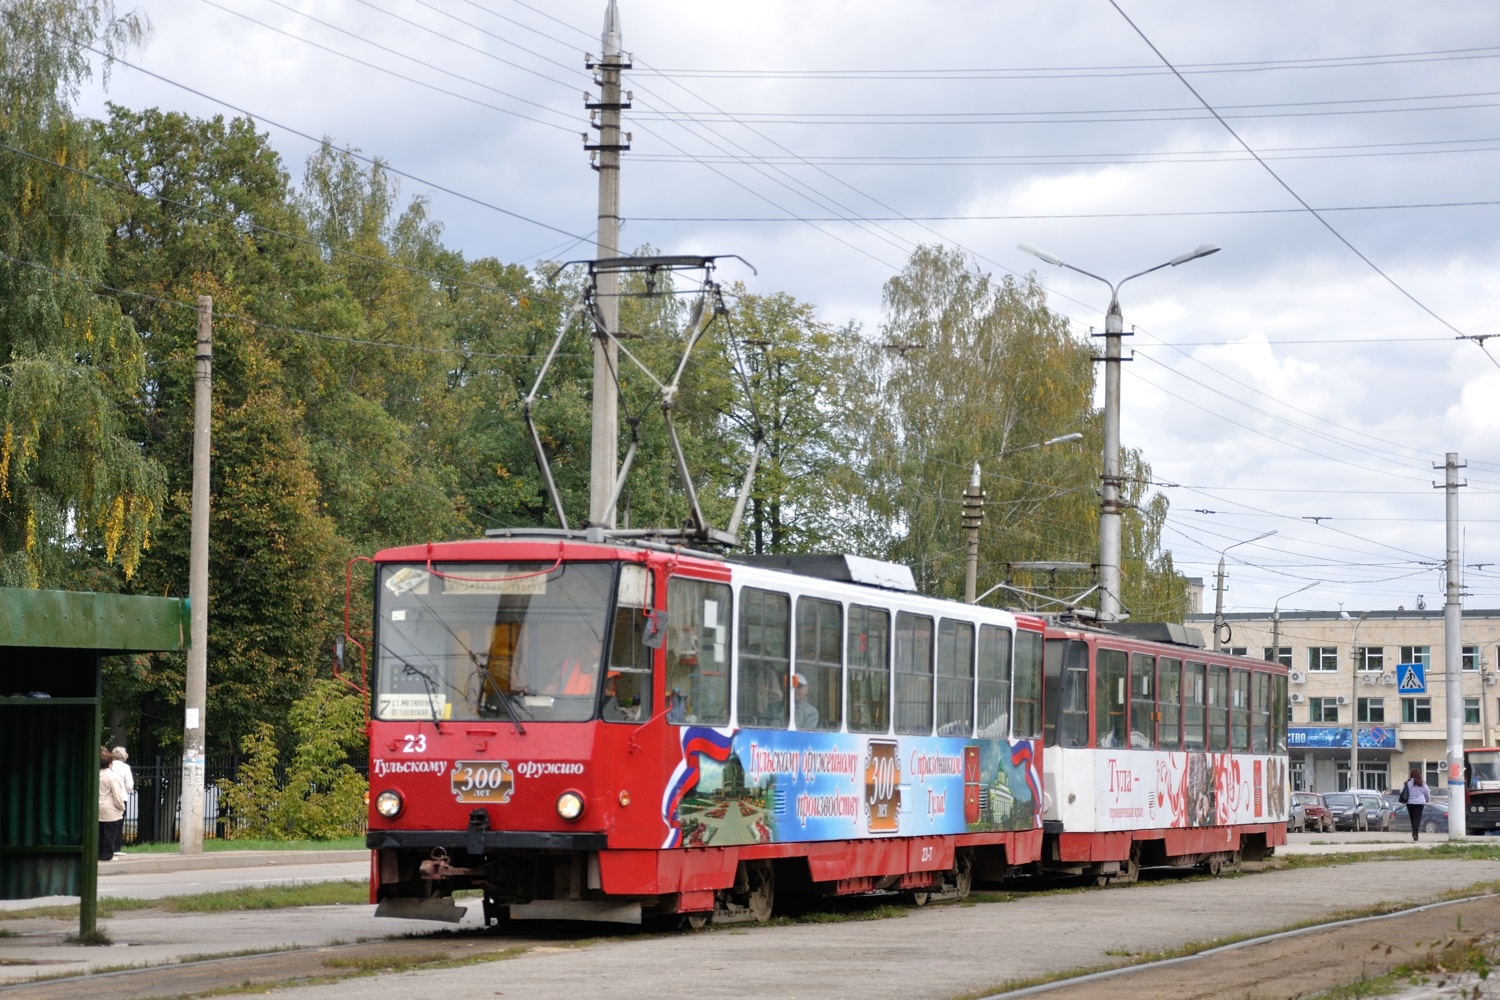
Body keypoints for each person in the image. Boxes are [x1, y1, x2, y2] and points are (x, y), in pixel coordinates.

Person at [98, 749, 126, 861]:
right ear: (110, 763)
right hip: (110, 809)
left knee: (100, 832)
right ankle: (107, 855)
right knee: (110, 833)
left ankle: (99, 853)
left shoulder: (98, 775)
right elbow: (117, 795)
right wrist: (121, 807)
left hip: (99, 807)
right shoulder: (112, 777)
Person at [1401, 767, 1431, 841]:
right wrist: (1427, 799)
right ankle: (1415, 834)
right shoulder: (1422, 783)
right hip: (1420, 803)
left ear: (1411, 774)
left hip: (1410, 803)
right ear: (1419, 774)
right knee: (1417, 819)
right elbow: (1426, 792)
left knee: (1412, 819)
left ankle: (1414, 833)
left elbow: (1401, 791)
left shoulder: (1407, 783)